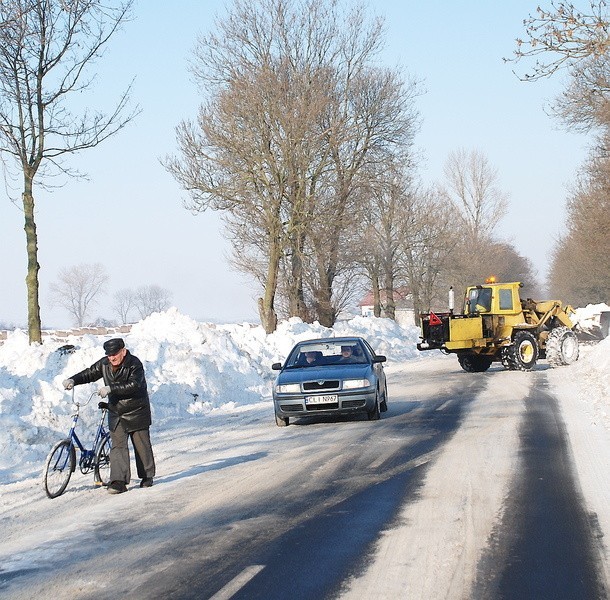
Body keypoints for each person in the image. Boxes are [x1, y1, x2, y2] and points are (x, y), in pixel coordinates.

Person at [63, 338, 156, 495]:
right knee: (118, 446)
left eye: (115, 354)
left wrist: (111, 388)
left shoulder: (134, 364)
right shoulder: (105, 363)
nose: (112, 358)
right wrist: (74, 379)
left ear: (123, 351)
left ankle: (147, 476)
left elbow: (134, 385)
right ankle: (118, 481)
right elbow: (89, 373)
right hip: (116, 411)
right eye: (109, 355)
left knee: (142, 445)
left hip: (136, 410)